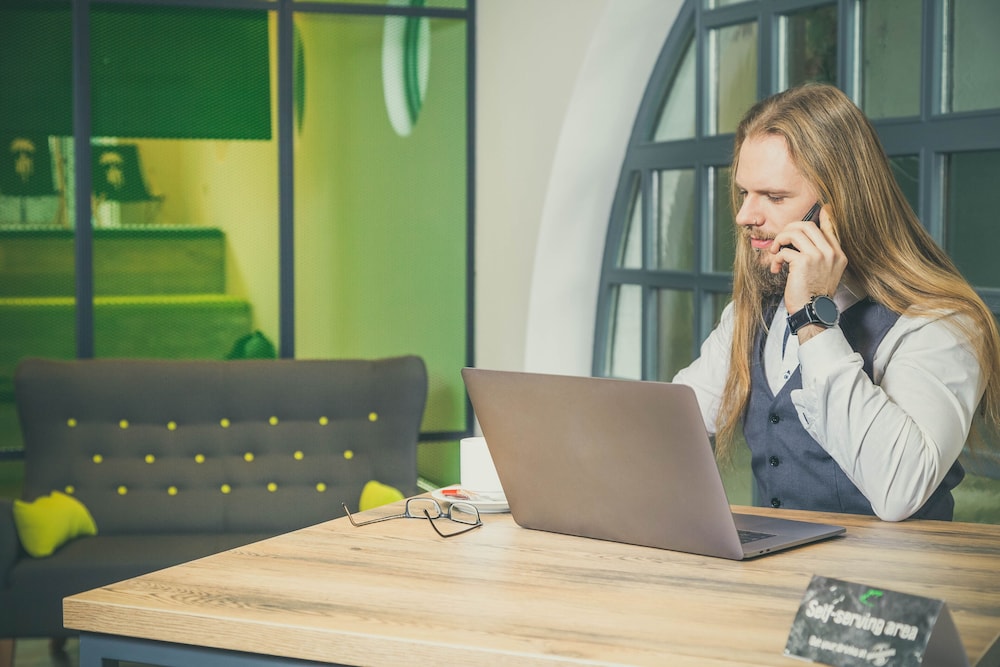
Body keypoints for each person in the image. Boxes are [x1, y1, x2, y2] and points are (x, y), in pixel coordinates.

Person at [672, 83, 1000, 522]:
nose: (745, 215)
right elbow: (672, 420)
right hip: (774, 564)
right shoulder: (753, 313)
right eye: (744, 193)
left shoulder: (940, 323)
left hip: (889, 569)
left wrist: (812, 317)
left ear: (838, 207)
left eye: (774, 197)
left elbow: (900, 490)